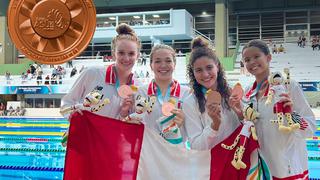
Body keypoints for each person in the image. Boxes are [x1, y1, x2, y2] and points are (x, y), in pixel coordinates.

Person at [241, 39, 316, 179]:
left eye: (256, 57)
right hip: (261, 168)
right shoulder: (247, 93)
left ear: (268, 57)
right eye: (247, 59)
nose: (251, 62)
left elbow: (310, 127)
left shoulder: (289, 87)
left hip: (287, 168)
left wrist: (291, 114)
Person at [61, 23, 141, 119]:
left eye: (131, 53)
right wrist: (71, 113)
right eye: (121, 53)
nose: (126, 58)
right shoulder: (93, 73)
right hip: (84, 133)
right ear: (113, 54)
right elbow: (67, 102)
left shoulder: (137, 88)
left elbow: (124, 126)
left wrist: (123, 113)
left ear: (138, 56)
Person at [183, 37, 241, 150]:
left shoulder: (232, 93)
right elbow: (196, 146)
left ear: (217, 67)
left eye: (209, 67)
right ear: (193, 73)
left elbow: (248, 128)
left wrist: (241, 115)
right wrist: (214, 125)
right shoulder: (190, 103)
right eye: (198, 70)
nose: (205, 74)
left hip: (239, 160)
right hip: (211, 164)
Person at [137, 44, 190, 144]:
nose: (163, 65)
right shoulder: (141, 92)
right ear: (151, 65)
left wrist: (184, 122)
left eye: (168, 61)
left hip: (177, 152)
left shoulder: (187, 93)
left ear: (174, 64)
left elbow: (194, 128)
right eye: (157, 61)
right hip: (150, 152)